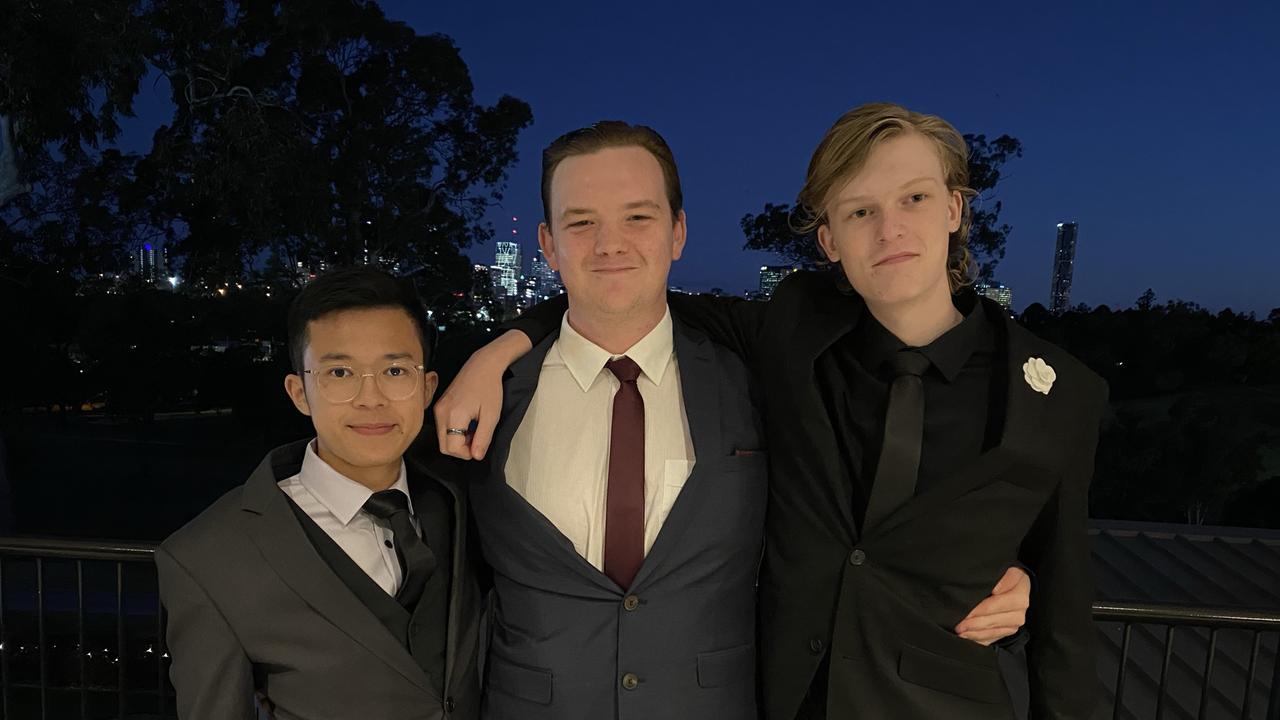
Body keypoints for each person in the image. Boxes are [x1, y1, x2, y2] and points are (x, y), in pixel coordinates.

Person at [437, 113, 1045, 720]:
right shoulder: (485, 400)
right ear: (547, 243)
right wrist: (502, 348)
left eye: (637, 217)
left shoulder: (763, 368)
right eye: (582, 222)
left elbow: (867, 501)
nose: (610, 243)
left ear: (677, 232)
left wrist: (995, 569)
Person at [157, 267, 481, 719]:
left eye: (394, 369)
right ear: (300, 392)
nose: (371, 398)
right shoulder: (208, 556)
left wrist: (503, 348)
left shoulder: (462, 497)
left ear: (427, 387)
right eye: (340, 372)